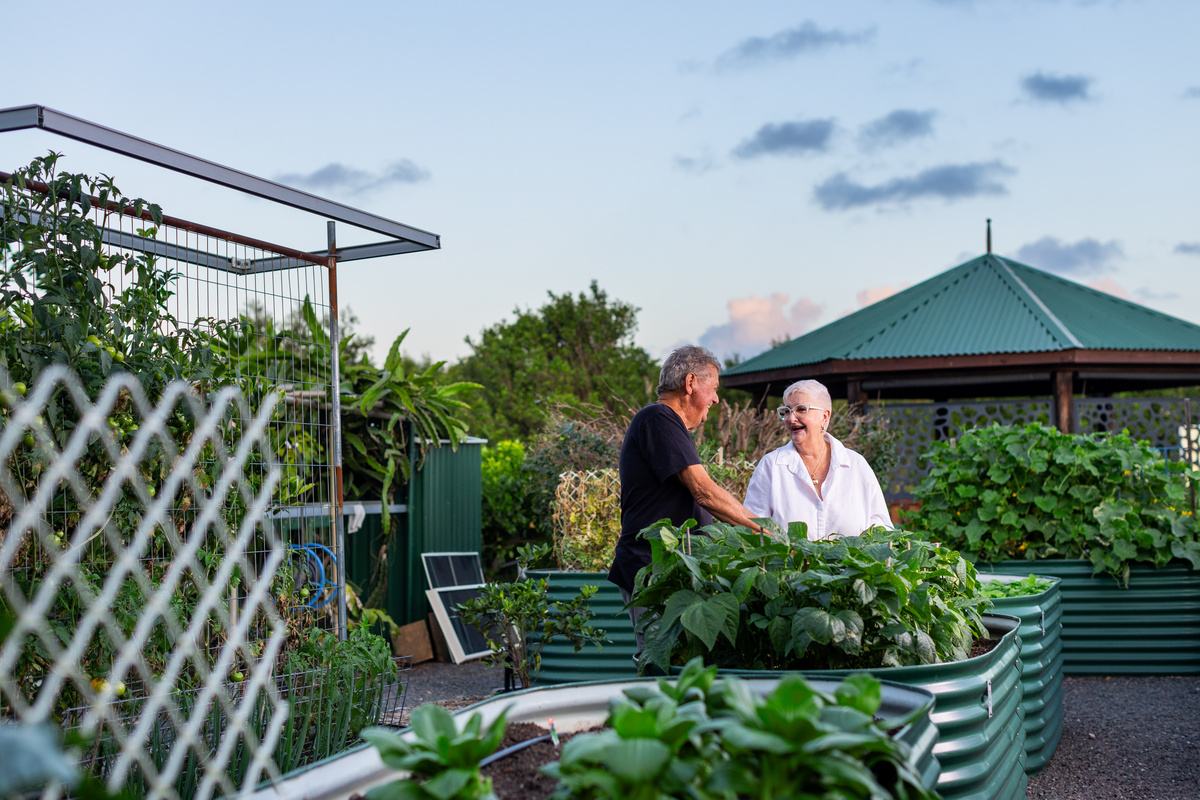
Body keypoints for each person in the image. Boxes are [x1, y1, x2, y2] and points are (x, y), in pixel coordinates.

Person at [607, 345, 762, 649]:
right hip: (653, 572)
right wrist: (768, 532)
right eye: (714, 388)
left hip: (668, 572)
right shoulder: (658, 418)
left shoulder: (665, 423)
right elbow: (705, 492)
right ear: (691, 383)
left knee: (682, 666)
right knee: (662, 664)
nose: (716, 399)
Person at [743, 379, 891, 539]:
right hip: (789, 565)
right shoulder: (771, 466)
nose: (791, 418)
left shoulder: (856, 465)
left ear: (825, 417)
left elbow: (882, 531)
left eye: (801, 409)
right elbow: (751, 529)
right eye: (786, 411)